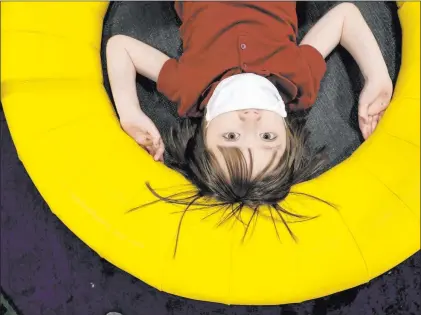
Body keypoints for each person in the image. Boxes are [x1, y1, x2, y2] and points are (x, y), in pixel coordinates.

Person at [106, 2, 392, 231]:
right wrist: (376, 75)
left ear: (204, 132)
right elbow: (345, 18)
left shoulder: (190, 88)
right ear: (286, 133)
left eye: (231, 137)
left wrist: (130, 110)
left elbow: (120, 47)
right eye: (268, 137)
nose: (251, 120)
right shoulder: (296, 82)